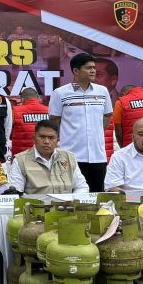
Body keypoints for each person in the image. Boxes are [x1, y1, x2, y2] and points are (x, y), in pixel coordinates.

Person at [49, 53, 113, 192]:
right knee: (71, 198)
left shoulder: (102, 91)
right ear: (76, 71)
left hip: (97, 156)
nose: (93, 71)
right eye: (88, 67)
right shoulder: (60, 93)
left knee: (97, 197)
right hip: (70, 156)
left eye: (94, 68)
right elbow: (54, 120)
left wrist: (95, 132)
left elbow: (107, 115)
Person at [8, 120, 89, 194]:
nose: (46, 141)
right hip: (35, 208)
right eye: (42, 137)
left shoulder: (69, 157)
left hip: (67, 208)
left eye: (51, 138)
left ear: (57, 140)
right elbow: (16, 193)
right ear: (34, 138)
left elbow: (81, 187)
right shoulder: (20, 160)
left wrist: (73, 202)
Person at [11, 88, 49, 156]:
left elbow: (8, 131)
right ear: (37, 98)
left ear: (22, 99)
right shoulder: (49, 110)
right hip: (44, 155)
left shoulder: (15, 110)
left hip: (21, 156)